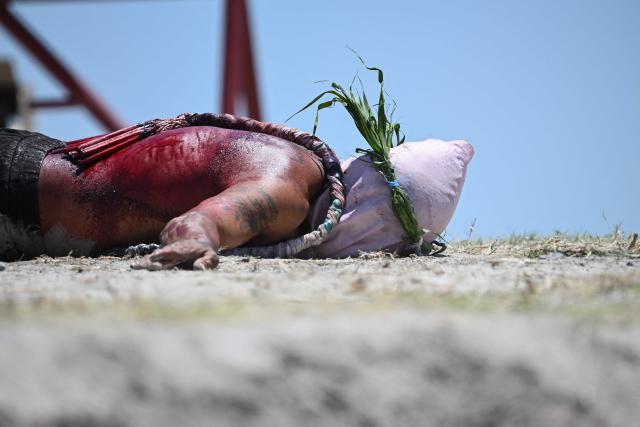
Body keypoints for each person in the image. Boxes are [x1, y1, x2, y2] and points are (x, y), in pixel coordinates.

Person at [0, 113, 473, 270]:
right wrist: (199, 239)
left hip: (33, 162)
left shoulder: (301, 163)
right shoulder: (286, 197)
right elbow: (203, 222)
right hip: (15, 196)